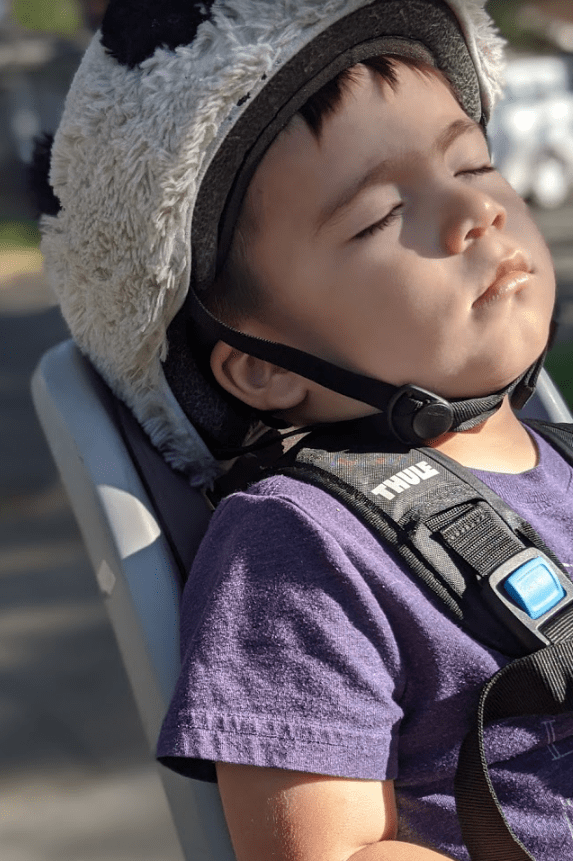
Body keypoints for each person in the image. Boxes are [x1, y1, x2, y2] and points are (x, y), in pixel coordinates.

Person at [36, 1, 573, 859]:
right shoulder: (298, 546)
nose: (473, 213)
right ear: (263, 365)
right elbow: (336, 851)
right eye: (377, 216)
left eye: (471, 162)